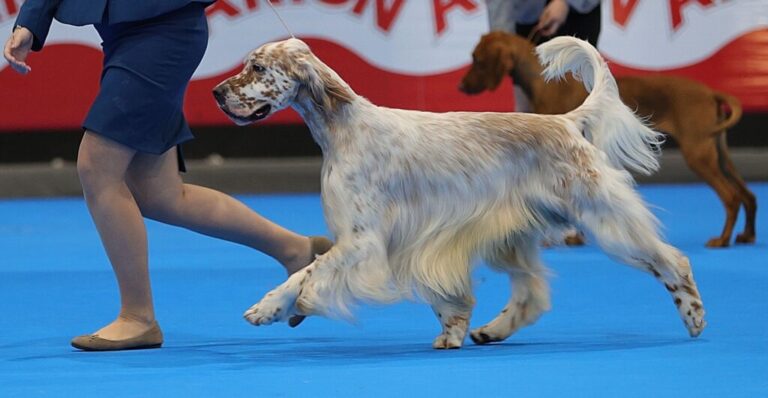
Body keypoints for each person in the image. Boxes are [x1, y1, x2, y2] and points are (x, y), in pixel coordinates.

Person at [3, 0, 332, 351]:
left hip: (162, 31)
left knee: (97, 167)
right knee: (160, 194)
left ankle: (137, 317)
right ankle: (297, 251)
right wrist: (30, 22)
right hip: (123, 33)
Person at [484, 0, 601, 112]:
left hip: (580, 15)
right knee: (525, 110)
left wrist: (565, 2)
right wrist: (504, 39)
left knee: (583, 108)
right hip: (525, 16)